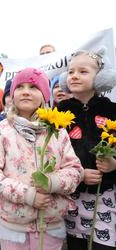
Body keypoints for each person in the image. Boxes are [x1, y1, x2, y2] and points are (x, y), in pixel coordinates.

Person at [0, 67, 84, 250]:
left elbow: (75, 171)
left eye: (33, 87)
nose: (26, 91)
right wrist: (27, 195)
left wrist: (51, 182)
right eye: (20, 87)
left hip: (50, 225)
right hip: (13, 227)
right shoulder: (1, 131)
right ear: (12, 94)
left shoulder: (57, 130)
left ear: (44, 95)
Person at [58, 49, 116, 250]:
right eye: (71, 71)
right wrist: (79, 174)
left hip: (105, 195)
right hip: (72, 195)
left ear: (100, 77)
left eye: (83, 71)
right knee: (76, 245)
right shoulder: (59, 112)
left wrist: (113, 164)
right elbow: (50, 154)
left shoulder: (113, 111)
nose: (74, 76)